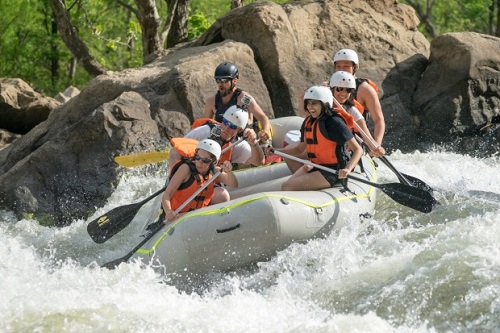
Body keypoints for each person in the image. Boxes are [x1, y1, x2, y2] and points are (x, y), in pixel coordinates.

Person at [267, 86, 363, 191]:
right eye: (308, 103)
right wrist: (276, 151)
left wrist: (347, 169)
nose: (310, 107)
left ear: (325, 103)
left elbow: (358, 149)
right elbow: (299, 150)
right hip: (317, 166)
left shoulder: (334, 122)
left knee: (287, 187)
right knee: (285, 186)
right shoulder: (309, 121)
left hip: (334, 171)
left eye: (314, 103)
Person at [161, 139, 238, 222]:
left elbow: (234, 184)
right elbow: (166, 195)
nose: (199, 163)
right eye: (197, 158)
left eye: (205, 160)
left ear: (214, 161)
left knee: (222, 195)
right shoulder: (185, 169)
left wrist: (229, 171)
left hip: (197, 214)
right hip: (177, 216)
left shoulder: (214, 170)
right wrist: (169, 211)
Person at [203, 62, 271, 143]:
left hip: (243, 140)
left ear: (234, 80)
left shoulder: (244, 99)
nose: (220, 84)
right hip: (223, 141)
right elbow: (205, 126)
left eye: (224, 80)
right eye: (218, 80)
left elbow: (263, 118)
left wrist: (265, 131)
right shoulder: (211, 101)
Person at [333, 49, 385, 149]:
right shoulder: (329, 86)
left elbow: (378, 119)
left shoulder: (365, 89)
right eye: (338, 66)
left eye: (346, 66)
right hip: (333, 138)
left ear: (355, 67)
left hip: (357, 141)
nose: (341, 70)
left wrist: (376, 144)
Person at [329, 71, 385, 157]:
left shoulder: (352, 111)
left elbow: (367, 137)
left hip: (342, 155)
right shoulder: (321, 105)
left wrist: (376, 148)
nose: (343, 93)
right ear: (332, 88)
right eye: (339, 89)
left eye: (348, 90)